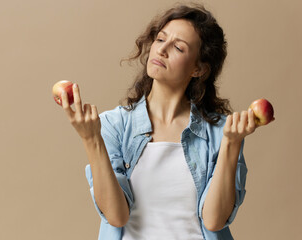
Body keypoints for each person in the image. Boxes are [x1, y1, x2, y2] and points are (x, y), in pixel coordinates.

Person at [59, 3, 256, 240]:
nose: (162, 50)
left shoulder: (222, 132)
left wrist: (232, 144)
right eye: (161, 39)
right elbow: (116, 216)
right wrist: (91, 139)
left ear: (199, 69)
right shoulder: (113, 125)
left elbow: (214, 221)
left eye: (178, 48)